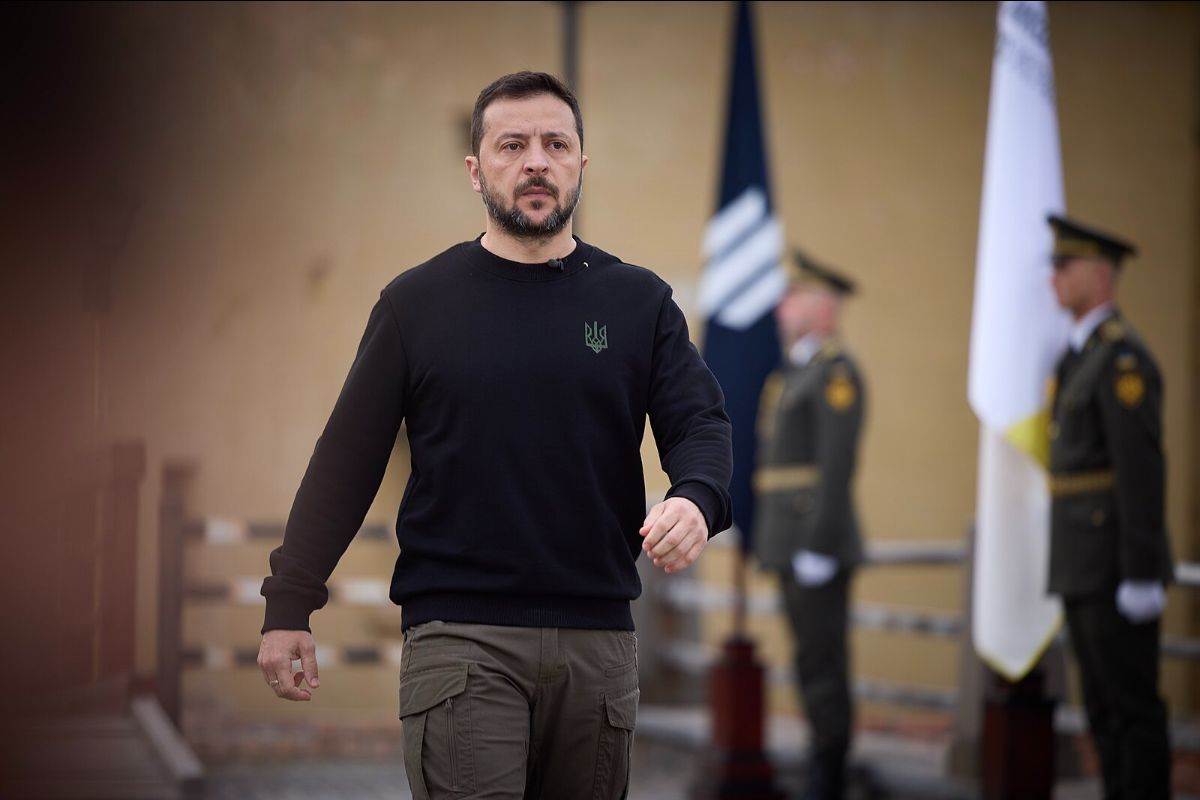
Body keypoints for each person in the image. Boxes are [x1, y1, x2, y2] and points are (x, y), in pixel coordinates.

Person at [256, 71, 733, 799]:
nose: (535, 161)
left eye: (555, 144)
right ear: (477, 170)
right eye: (512, 145)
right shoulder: (416, 305)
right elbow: (345, 463)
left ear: (581, 164)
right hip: (461, 639)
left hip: (599, 643)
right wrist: (290, 604)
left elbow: (700, 422)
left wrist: (696, 498)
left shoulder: (639, 304)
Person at [1045, 213, 1173, 799]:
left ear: (1099, 275)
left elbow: (1140, 473)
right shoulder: (1080, 356)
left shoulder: (1123, 360)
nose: (1053, 277)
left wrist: (1142, 570)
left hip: (1115, 563)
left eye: (1064, 266)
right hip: (1082, 560)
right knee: (1101, 710)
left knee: (1131, 710)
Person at [752, 251, 865, 800]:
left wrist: (818, 542)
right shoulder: (795, 371)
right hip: (790, 541)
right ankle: (822, 757)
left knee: (823, 659)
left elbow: (836, 465)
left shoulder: (835, 374)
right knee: (807, 657)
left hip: (814, 541)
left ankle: (830, 768)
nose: (782, 307)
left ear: (823, 308)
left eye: (794, 297)